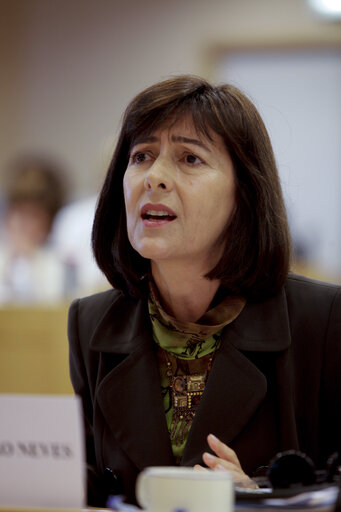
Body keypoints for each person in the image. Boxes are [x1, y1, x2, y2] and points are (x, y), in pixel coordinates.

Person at [68, 75, 341, 507]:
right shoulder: (91, 323)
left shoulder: (324, 320)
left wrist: (264, 498)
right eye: (141, 156)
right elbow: (92, 488)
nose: (154, 177)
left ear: (244, 193)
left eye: (189, 159)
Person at [0, 156, 67, 304]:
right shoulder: (3, 256)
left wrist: (32, 259)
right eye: (18, 212)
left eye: (33, 216)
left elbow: (52, 302)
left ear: (50, 223)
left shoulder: (58, 262)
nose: (23, 223)